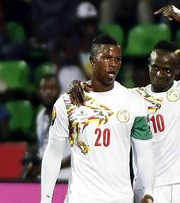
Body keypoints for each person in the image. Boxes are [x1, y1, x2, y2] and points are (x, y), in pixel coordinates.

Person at [69, 5, 180, 203]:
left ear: (177, 70)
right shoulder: (132, 97)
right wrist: (78, 85)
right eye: (155, 67)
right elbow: (99, 94)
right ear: (149, 64)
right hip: (149, 189)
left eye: (167, 70)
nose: (159, 73)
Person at [40, 34, 155, 203]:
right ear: (92, 61)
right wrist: (45, 199)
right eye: (107, 58)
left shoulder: (134, 103)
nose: (113, 63)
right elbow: (53, 153)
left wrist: (148, 193)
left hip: (119, 198)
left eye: (118, 59)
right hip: (80, 198)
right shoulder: (69, 102)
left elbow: (145, 154)